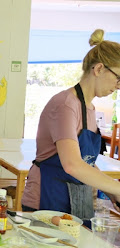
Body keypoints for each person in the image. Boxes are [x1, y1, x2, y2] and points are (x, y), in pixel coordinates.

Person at [21, 29, 120, 228]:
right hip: (49, 198)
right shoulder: (66, 105)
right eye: (119, 79)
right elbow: (72, 164)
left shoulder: (89, 108)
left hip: (76, 201)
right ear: (99, 69)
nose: (118, 86)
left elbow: (86, 163)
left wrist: (112, 194)